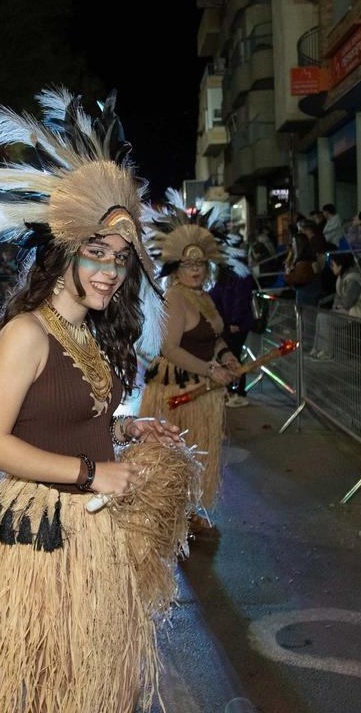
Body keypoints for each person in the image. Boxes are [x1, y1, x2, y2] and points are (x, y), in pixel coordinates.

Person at [0, 88, 197, 711]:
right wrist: (94, 470)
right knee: (69, 690)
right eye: (95, 254)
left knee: (111, 686)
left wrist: (127, 433)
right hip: (50, 528)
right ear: (62, 253)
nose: (110, 271)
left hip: (97, 528)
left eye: (121, 260)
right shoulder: (26, 333)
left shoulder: (88, 333)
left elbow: (70, 419)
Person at [140, 193, 245, 518]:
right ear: (175, 267)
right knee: (177, 455)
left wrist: (226, 355)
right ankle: (172, 516)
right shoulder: (175, 298)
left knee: (199, 453)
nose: (195, 270)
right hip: (178, 389)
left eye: (199, 264)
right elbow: (169, 349)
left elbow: (214, 337)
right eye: (187, 264)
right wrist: (210, 369)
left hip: (204, 387)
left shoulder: (204, 298)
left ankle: (190, 514)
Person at [211, 261, 255, 408]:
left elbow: (241, 298)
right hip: (227, 322)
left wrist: (236, 321)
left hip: (235, 325)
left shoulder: (239, 274)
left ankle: (237, 392)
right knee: (229, 355)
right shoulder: (224, 273)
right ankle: (231, 390)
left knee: (233, 356)